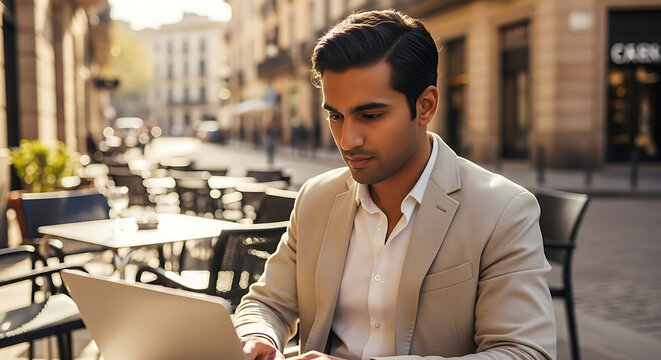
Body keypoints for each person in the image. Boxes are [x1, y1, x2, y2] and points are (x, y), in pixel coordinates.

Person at [234, 10, 555, 360]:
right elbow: (267, 303)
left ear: (425, 106)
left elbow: (524, 352)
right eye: (335, 116)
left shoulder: (502, 211)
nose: (348, 139)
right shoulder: (316, 197)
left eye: (370, 116)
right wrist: (257, 336)